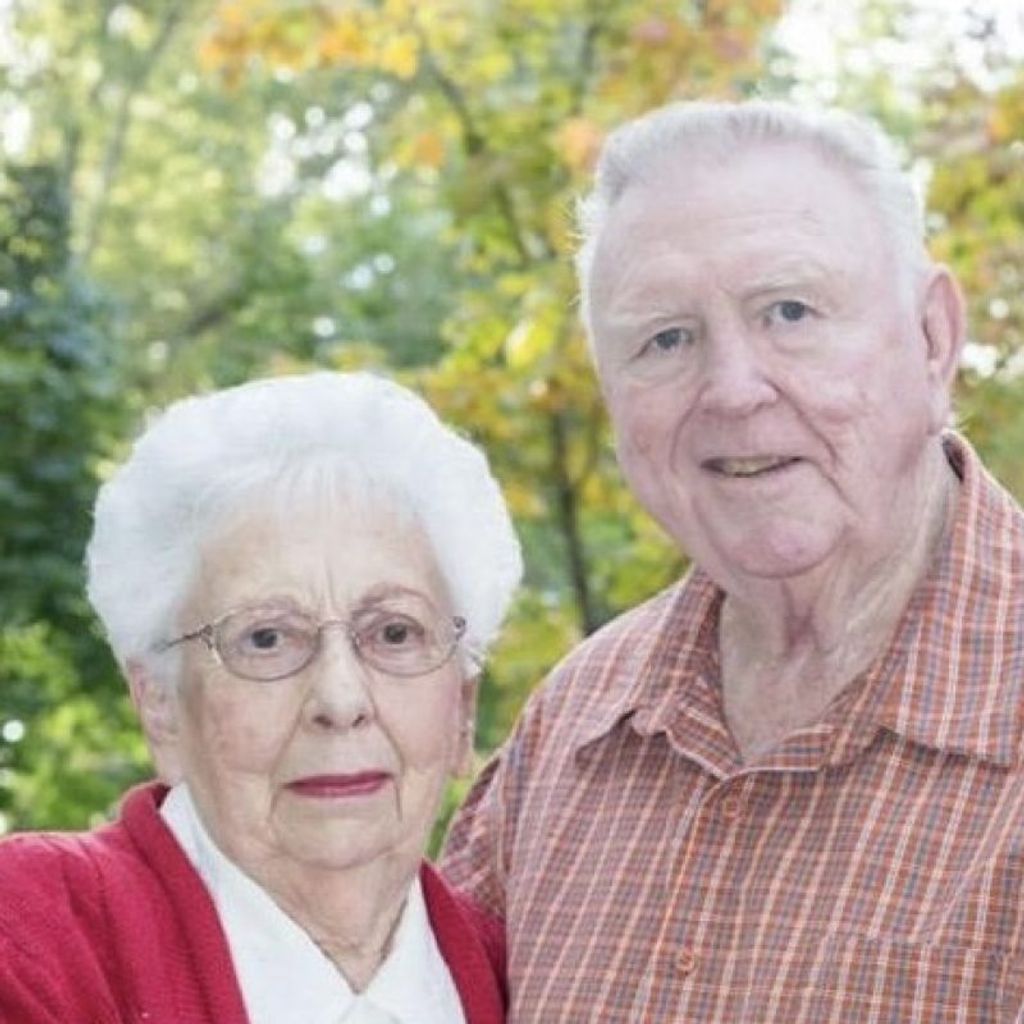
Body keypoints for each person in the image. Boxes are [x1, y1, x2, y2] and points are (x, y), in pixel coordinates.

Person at [442, 98, 1024, 1021]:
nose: (733, 390)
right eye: (665, 339)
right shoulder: (573, 725)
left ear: (933, 339)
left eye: (789, 312)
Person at [0, 371, 522, 1024]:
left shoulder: (535, 980)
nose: (340, 699)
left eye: (395, 632)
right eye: (266, 638)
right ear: (160, 704)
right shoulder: (29, 940)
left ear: (463, 710)